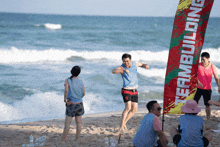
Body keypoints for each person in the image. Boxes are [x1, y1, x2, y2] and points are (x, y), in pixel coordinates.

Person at [112, 53, 149, 130]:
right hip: (126, 90)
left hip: (134, 90)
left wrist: (145, 66)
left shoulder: (134, 63)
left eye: (127, 61)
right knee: (128, 107)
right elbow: (114, 71)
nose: (126, 63)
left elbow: (142, 64)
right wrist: (123, 70)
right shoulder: (121, 67)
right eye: (124, 61)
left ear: (130, 60)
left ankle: (124, 122)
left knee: (134, 109)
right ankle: (122, 124)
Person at [62, 66, 85, 142]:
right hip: (80, 104)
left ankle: (63, 140)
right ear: (79, 73)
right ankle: (77, 139)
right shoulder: (81, 81)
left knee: (67, 123)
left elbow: (66, 90)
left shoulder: (67, 80)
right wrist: (78, 98)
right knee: (78, 123)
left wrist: (65, 100)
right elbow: (83, 93)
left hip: (71, 104)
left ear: (71, 71)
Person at [194, 52, 219, 120]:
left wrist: (219, 86)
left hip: (207, 89)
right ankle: (192, 116)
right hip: (198, 88)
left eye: (203, 59)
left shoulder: (212, 66)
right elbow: (193, 75)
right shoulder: (198, 65)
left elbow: (216, 78)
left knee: (207, 104)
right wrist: (198, 82)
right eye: (201, 59)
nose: (202, 61)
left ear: (208, 59)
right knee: (194, 102)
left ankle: (208, 118)